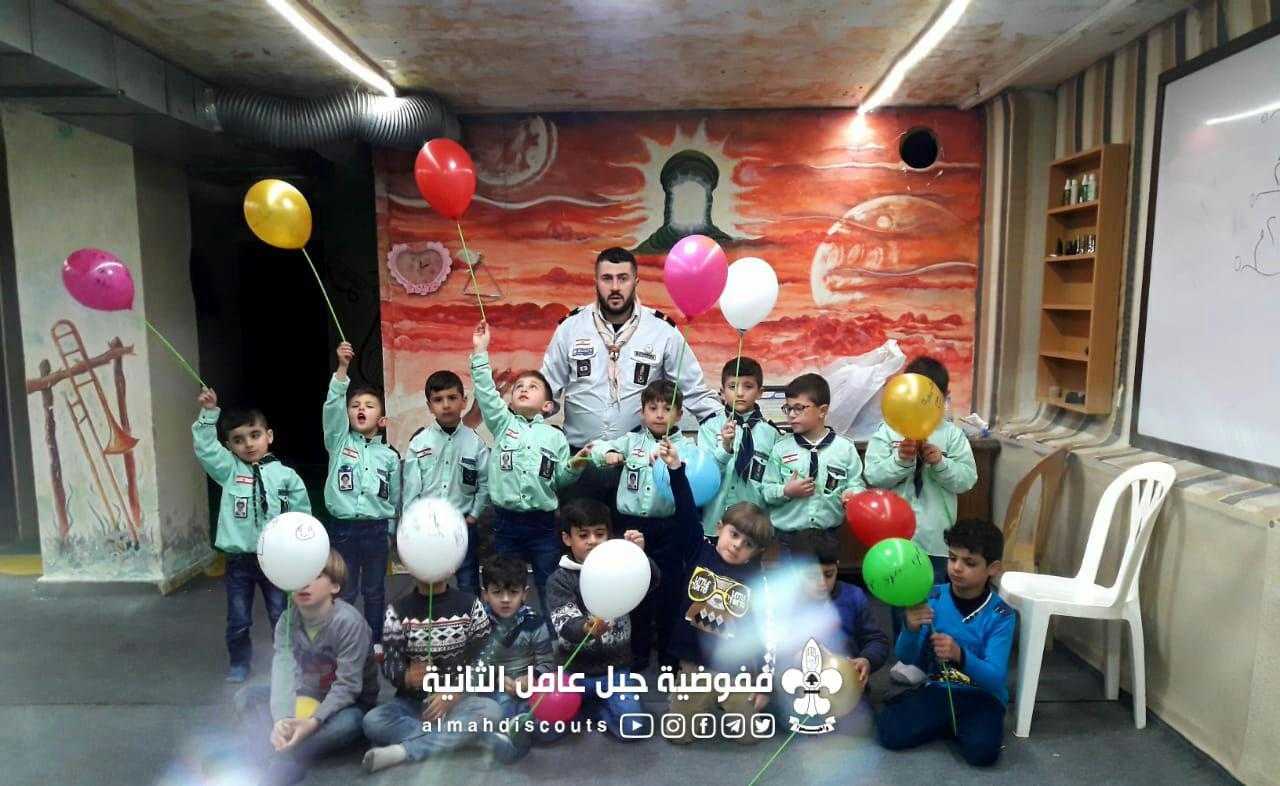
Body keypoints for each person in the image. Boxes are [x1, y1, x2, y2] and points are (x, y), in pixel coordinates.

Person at [540, 246, 719, 505]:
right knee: (580, 530)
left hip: (639, 462)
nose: (615, 287)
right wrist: (519, 422)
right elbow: (546, 391)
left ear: (636, 281)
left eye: (622, 278)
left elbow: (694, 392)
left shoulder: (662, 331)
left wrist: (726, 424)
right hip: (581, 459)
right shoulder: (571, 328)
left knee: (635, 530)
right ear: (595, 282)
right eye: (607, 278)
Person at [660, 439, 775, 745]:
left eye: (748, 544)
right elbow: (686, 513)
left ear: (757, 552)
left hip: (735, 668)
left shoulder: (757, 580)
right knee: (680, 736)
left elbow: (766, 633)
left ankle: (729, 702)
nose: (736, 545)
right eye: (733, 534)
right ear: (720, 526)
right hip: (694, 662)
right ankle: (693, 699)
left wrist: (763, 682)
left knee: (749, 737)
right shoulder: (699, 549)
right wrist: (676, 470)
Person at [471, 321, 589, 621]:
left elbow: (560, 479)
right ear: (510, 401)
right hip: (506, 523)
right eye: (519, 387)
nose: (524, 389)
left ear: (547, 406)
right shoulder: (502, 424)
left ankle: (555, 637)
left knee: (549, 583)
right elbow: (486, 394)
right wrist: (480, 351)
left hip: (543, 525)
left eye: (532, 387)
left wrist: (575, 466)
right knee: (505, 584)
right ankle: (506, 638)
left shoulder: (555, 437)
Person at [361, 562, 527, 772]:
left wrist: (455, 692)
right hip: (412, 704)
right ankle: (466, 738)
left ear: (451, 567)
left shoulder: (470, 605)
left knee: (490, 710)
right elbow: (390, 664)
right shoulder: (397, 610)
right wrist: (405, 676)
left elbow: (486, 663)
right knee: (372, 721)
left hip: (460, 703)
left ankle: (404, 751)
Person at [193, 388, 310, 683]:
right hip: (239, 561)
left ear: (269, 436)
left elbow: (303, 518)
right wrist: (209, 413)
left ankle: (288, 663)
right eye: (238, 439)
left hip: (277, 559)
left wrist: (303, 552)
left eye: (254, 435)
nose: (248, 444)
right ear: (229, 446)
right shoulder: (229, 471)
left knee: (281, 616)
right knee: (238, 618)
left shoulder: (287, 477)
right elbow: (206, 448)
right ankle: (239, 663)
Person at [876, 519, 1015, 766]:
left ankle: (948, 724)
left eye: (969, 563)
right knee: (889, 733)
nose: (957, 568)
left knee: (982, 754)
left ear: (993, 568)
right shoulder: (933, 596)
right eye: (952, 558)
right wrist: (910, 629)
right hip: (939, 689)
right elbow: (906, 657)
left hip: (983, 697)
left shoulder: (1001, 614)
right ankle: (942, 721)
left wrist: (960, 654)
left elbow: (995, 678)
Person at [234, 549, 378, 786]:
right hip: (306, 695)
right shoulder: (286, 621)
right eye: (298, 576)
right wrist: (281, 719)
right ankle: (285, 748)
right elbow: (283, 673)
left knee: (350, 725)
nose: (304, 583)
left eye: (315, 576)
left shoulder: (349, 623)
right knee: (246, 697)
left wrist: (312, 722)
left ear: (335, 586)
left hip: (349, 705)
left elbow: (348, 687)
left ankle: (279, 755)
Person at [863, 356, 977, 635]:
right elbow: (874, 476)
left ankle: (935, 653)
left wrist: (940, 463)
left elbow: (966, 480)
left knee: (936, 603)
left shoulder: (952, 435)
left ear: (944, 398)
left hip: (936, 537)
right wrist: (900, 460)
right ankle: (903, 651)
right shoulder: (887, 432)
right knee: (899, 600)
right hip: (897, 537)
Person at [588, 379, 693, 670]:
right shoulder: (631, 441)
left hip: (669, 528)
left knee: (670, 591)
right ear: (642, 412)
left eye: (667, 408)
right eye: (653, 408)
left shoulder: (686, 448)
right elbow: (597, 448)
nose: (659, 414)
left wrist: (675, 464)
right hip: (631, 526)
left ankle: (669, 657)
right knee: (635, 590)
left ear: (679, 414)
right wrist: (608, 455)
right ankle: (638, 653)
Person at [544, 497, 656, 741]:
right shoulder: (559, 580)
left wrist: (639, 556)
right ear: (567, 539)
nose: (592, 541)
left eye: (599, 533)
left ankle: (595, 711)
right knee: (548, 729)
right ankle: (584, 708)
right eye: (583, 535)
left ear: (609, 535)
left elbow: (652, 581)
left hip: (615, 671)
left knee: (634, 728)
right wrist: (586, 628)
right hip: (574, 672)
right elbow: (564, 623)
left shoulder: (621, 568)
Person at [323, 341, 401, 647]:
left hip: (376, 529)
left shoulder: (389, 456)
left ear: (381, 418)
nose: (360, 409)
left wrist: (391, 530)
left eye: (369, 405)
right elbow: (332, 408)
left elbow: (394, 497)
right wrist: (342, 369)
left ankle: (375, 641)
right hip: (343, 529)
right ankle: (342, 641)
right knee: (345, 589)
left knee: (374, 590)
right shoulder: (339, 442)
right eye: (355, 405)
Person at [782, 528, 890, 734]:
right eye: (812, 576)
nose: (822, 583)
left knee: (861, 726)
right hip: (801, 687)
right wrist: (791, 657)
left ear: (837, 567)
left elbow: (877, 640)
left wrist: (867, 660)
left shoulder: (854, 596)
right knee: (785, 718)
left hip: (846, 686)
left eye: (829, 574)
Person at [402, 369, 490, 595]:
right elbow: (411, 488)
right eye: (438, 400)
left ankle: (471, 617)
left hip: (463, 523)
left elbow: (485, 484)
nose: (446, 405)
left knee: (468, 581)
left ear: (464, 401)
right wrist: (411, 522)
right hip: (427, 526)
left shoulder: (476, 443)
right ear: (429, 406)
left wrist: (474, 515)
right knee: (429, 582)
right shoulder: (419, 443)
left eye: (452, 398)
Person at [760, 374, 865, 550]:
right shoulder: (780, 448)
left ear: (822, 411)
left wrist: (853, 494)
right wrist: (786, 491)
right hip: (788, 538)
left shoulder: (845, 448)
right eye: (788, 408)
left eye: (799, 408)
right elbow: (766, 491)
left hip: (829, 536)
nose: (791, 415)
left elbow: (857, 484)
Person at [696, 356, 780, 536]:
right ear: (722, 392)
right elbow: (704, 477)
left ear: (760, 392)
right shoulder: (709, 428)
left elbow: (771, 484)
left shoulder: (772, 434)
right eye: (732, 386)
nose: (740, 393)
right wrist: (725, 448)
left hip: (753, 528)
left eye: (748, 386)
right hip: (714, 523)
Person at [477, 555, 557, 739]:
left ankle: (521, 725)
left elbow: (547, 662)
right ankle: (513, 728)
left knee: (550, 724)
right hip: (495, 689)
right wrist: (498, 679)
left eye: (513, 592)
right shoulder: (479, 625)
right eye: (497, 592)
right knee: (503, 704)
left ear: (524, 593)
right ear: (485, 594)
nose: (505, 599)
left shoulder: (535, 622)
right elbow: (475, 667)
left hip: (530, 686)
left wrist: (532, 677)